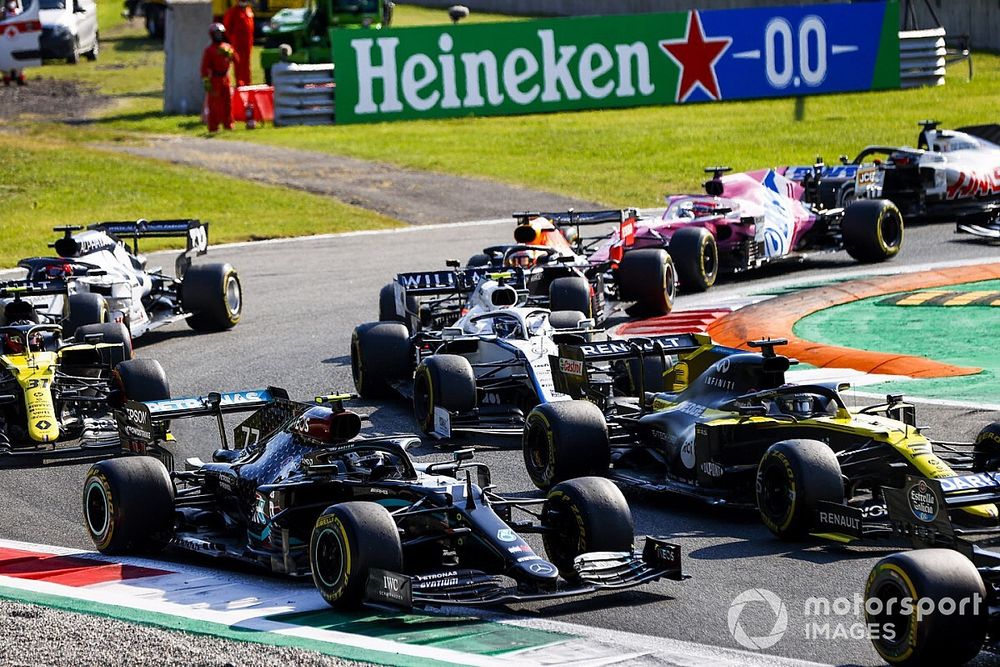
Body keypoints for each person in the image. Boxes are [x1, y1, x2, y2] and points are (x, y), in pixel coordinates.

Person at [200, 23, 238, 132]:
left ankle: (228, 125)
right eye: (216, 33)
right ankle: (213, 127)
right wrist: (206, 81)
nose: (218, 35)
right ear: (212, 35)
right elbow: (204, 68)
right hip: (214, 80)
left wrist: (230, 53)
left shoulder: (227, 47)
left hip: (226, 79)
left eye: (220, 33)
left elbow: (237, 60)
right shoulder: (209, 50)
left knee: (228, 103)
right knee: (214, 106)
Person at [222, 0, 253, 87]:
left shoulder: (248, 10)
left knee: (247, 66)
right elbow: (227, 27)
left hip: (247, 44)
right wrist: (233, 40)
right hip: (237, 44)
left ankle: (247, 84)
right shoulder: (233, 11)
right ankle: (240, 84)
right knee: (239, 65)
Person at [2, 0, 26, 86]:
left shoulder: (19, 13)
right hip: (5, 39)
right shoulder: (3, 13)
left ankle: (20, 77)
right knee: (6, 58)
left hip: (17, 39)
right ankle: (7, 78)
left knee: (19, 58)